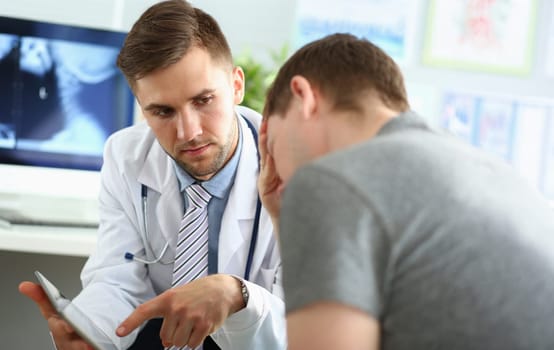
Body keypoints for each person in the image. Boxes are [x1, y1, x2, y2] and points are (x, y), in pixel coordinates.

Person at [257, 33, 554, 350]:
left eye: (271, 144)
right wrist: (284, 217)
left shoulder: (331, 180)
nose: (275, 169)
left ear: (304, 97)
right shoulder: (491, 171)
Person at [18, 1, 285, 349]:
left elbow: (311, 325)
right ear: (141, 107)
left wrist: (241, 296)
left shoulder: (297, 170)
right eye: (162, 111)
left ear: (236, 86)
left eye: (203, 100)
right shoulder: (125, 155)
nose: (189, 132)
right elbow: (117, 276)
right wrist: (91, 332)